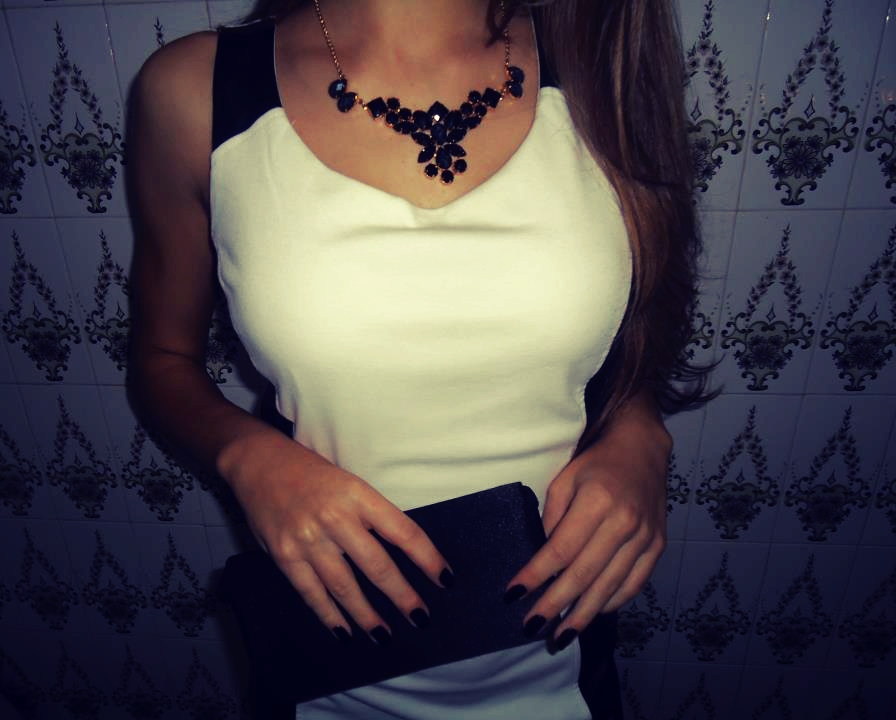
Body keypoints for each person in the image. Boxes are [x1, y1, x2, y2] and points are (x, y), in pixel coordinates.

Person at [127, 0, 711, 717]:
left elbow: (641, 322)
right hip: (329, 676)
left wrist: (640, 432)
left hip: (564, 674)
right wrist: (246, 456)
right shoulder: (195, 92)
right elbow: (161, 359)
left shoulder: (602, 65)